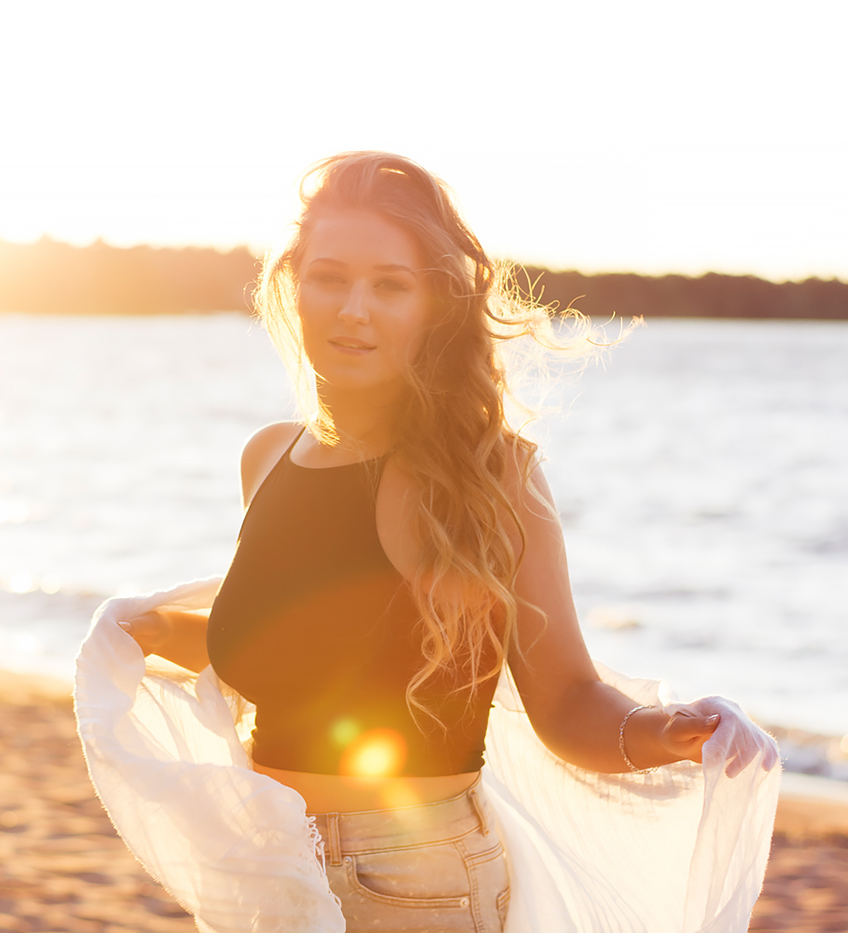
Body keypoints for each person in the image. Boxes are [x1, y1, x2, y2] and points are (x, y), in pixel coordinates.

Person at [113, 152, 734, 932]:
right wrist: (138, 630)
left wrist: (661, 733)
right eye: (330, 277)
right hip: (270, 865)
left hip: (418, 880)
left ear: (435, 305)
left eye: (390, 285)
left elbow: (566, 699)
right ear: (292, 285)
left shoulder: (491, 476)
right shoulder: (269, 456)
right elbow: (304, 645)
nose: (353, 310)